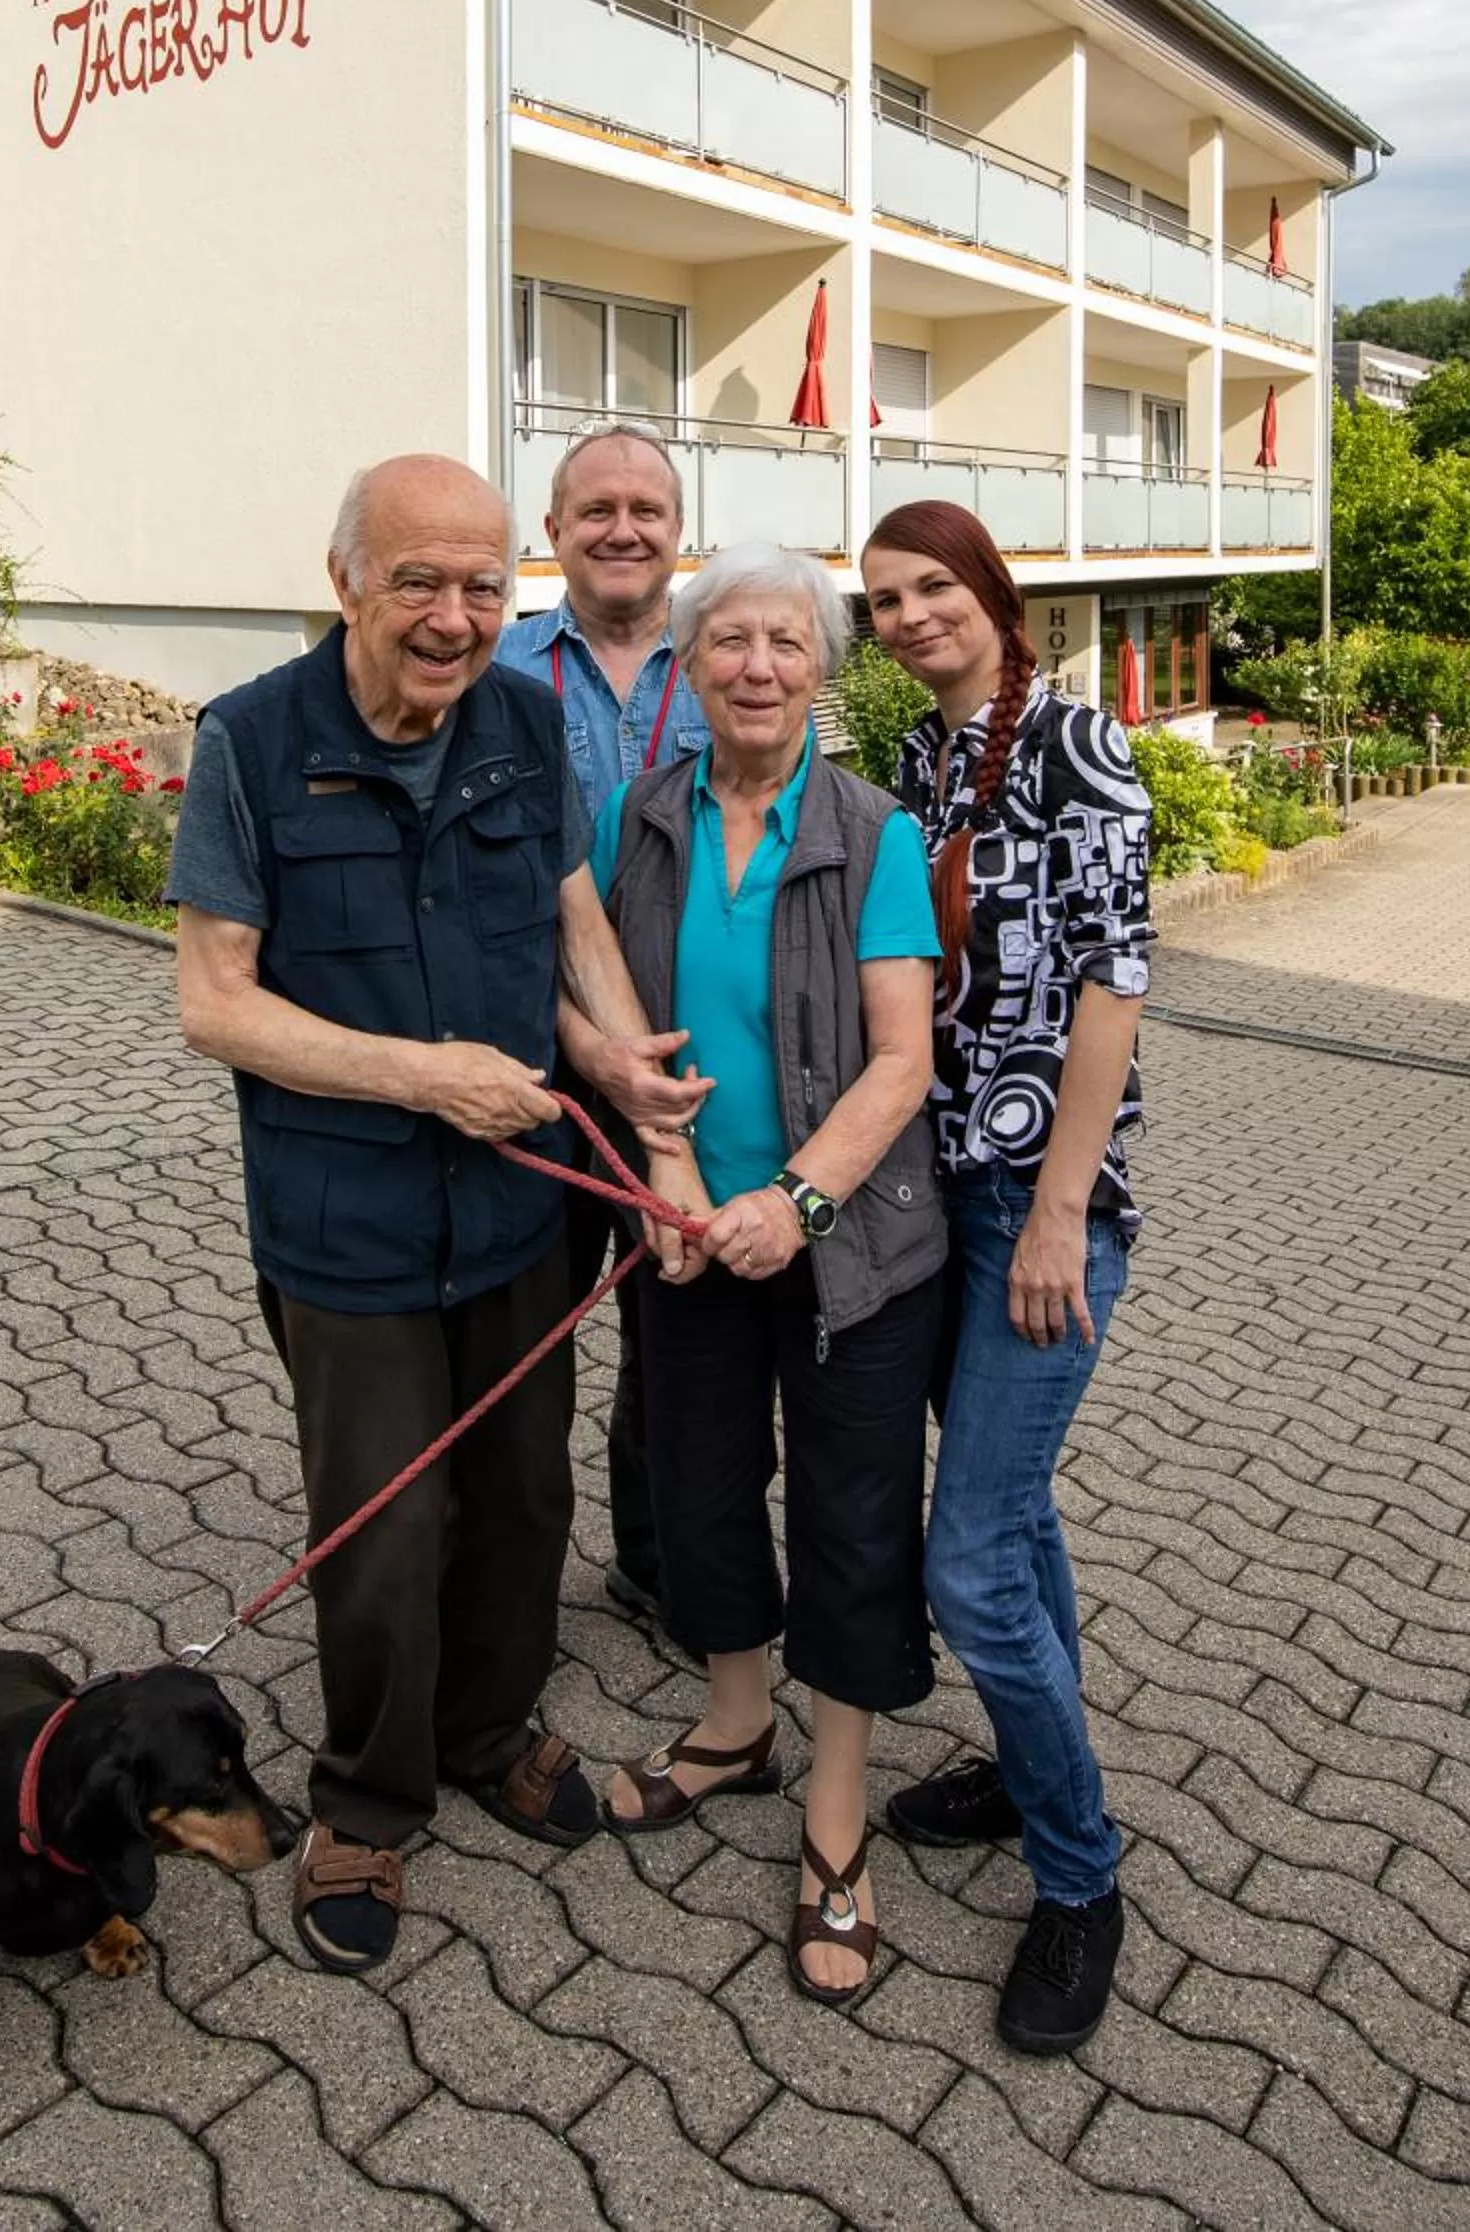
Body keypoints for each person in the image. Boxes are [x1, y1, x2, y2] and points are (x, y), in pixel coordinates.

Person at [169, 454, 704, 1978]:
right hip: (349, 1224)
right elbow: (215, 1004)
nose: (457, 618)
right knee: (389, 1527)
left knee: (527, 1497)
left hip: (520, 1210)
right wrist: (427, 1078)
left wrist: (622, 1073)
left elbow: (573, 915)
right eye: (421, 582)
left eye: (484, 586)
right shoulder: (252, 743)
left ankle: (489, 1728)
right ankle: (368, 1800)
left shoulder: (526, 723)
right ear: (346, 581)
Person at [586, 543, 945, 2010]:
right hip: (681, 1232)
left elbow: (905, 1059)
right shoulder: (640, 814)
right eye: (726, 640)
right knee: (699, 1484)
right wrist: (657, 1169)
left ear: (821, 668)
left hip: (849, 1245)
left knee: (855, 1518)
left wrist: (795, 1203)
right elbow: (591, 998)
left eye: (785, 643)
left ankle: (838, 1817)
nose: (756, 666)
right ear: (685, 665)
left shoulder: (875, 835)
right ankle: (736, 1725)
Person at [860, 500, 1153, 2058]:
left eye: (933, 589)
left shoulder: (1083, 744)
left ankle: (1082, 1873)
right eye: (885, 599)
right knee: (1015, 1513)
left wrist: (1056, 1214)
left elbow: (1114, 986)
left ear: (991, 591)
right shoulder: (917, 766)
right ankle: (1024, 1760)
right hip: (937, 1186)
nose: (910, 616)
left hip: (1044, 1205)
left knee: (967, 1558)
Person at [496, 420, 709, 1623]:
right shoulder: (501, 669)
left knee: (676, 1339)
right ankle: (515, 1588)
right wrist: (586, 1042)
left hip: (687, 1065)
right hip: (539, 1059)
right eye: (596, 511)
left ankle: (658, 1566)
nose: (623, 529)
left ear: (680, 533)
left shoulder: (733, 658)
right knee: (530, 1339)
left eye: (647, 510)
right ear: (555, 533)